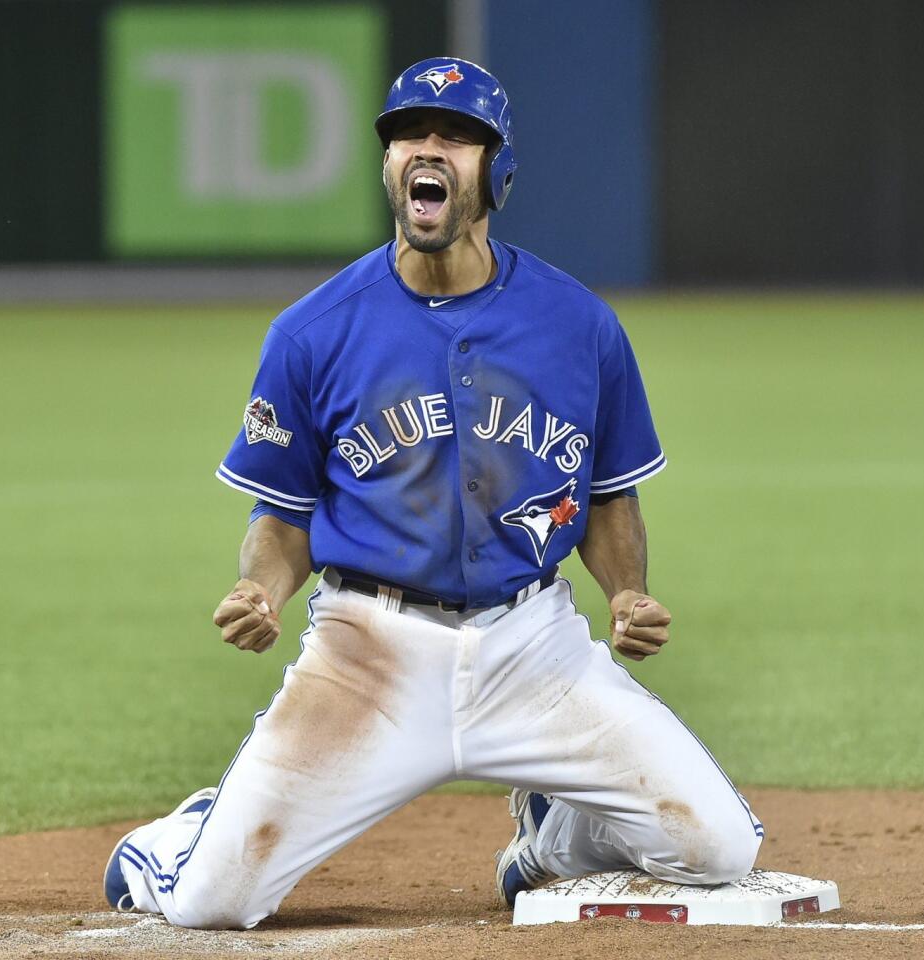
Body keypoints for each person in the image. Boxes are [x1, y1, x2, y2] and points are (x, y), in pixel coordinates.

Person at [103, 57, 763, 930]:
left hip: (534, 649)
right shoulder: (314, 332)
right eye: (411, 133)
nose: (430, 149)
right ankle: (180, 838)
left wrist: (628, 591)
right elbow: (284, 515)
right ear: (389, 166)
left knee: (719, 847)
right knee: (210, 904)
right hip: (368, 653)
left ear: (497, 170)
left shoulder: (579, 325)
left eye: (457, 136)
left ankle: (549, 839)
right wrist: (260, 588)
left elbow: (604, 493)